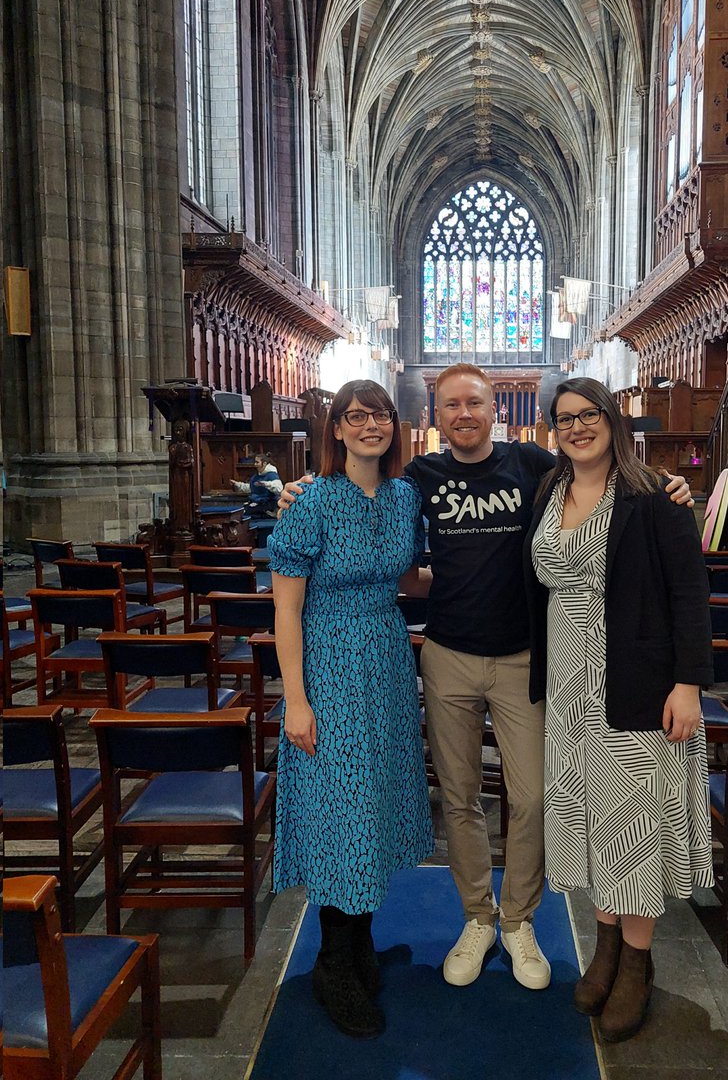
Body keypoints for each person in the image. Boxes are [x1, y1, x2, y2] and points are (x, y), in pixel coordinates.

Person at [279, 363, 694, 995]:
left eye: (474, 402)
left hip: (523, 657)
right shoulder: (416, 480)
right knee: (460, 798)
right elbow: (373, 525)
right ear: (435, 416)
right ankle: (477, 916)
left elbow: (603, 475)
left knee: (531, 798)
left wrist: (668, 484)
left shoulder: (534, 467)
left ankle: (519, 920)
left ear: (495, 408)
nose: (464, 414)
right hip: (447, 654)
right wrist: (298, 490)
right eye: (451, 405)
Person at [523, 377, 713, 1042]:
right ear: (554, 430)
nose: (577, 427)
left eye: (589, 415)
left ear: (612, 419)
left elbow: (690, 592)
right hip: (567, 687)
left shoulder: (654, 493)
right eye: (565, 418)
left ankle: (636, 961)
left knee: (630, 824)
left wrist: (688, 684)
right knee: (586, 818)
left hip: (636, 681)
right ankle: (604, 947)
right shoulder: (548, 491)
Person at [268, 380, 433, 1039]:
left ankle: (359, 942)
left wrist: (486, 572)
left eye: (380, 415)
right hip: (329, 662)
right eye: (355, 416)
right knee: (341, 809)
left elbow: (408, 579)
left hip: (386, 661)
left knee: (373, 802)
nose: (370, 425)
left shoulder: (403, 497)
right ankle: (333, 962)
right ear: (335, 428)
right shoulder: (310, 501)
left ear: (394, 425)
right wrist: (295, 700)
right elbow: (285, 610)